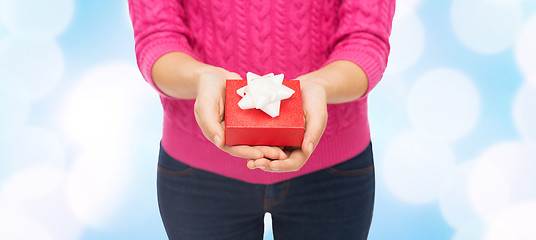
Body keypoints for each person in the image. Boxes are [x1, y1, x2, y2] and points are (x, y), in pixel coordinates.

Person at [128, 0, 395, 239]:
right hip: (197, 171)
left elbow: (366, 39)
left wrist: (322, 85)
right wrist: (200, 78)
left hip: (333, 170)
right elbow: (157, 37)